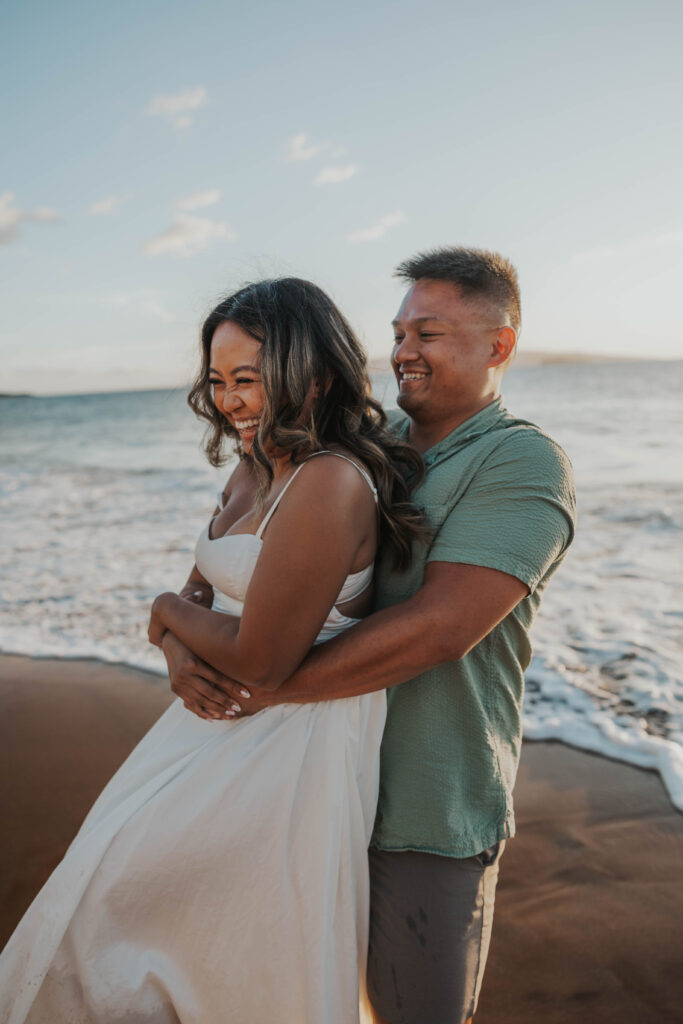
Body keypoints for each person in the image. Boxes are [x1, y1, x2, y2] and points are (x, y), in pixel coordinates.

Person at [165, 247, 577, 1024]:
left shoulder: (520, 461)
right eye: (396, 333)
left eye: (428, 333)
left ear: (499, 345)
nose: (401, 353)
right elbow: (237, 551)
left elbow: (438, 630)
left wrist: (258, 677)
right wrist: (177, 641)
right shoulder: (359, 440)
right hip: (295, 779)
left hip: (420, 801)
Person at [0, 277, 425, 1024]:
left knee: (199, 941)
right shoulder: (255, 464)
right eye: (218, 380)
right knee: (105, 901)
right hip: (205, 718)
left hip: (284, 745)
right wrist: (174, 652)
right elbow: (203, 593)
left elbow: (261, 657)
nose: (228, 399)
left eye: (248, 380)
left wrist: (162, 613)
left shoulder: (327, 481)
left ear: (313, 374)